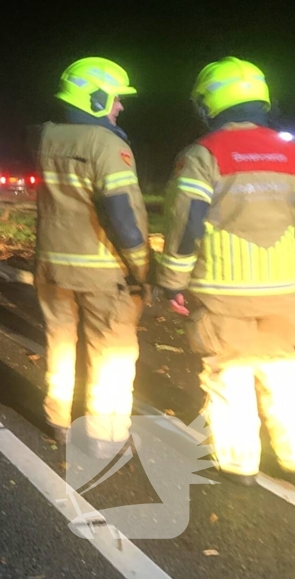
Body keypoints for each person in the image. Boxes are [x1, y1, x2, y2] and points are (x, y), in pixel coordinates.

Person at [156, 57, 295, 486]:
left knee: (229, 374)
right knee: (285, 372)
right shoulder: (290, 151)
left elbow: (185, 223)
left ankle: (239, 464)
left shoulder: (203, 154)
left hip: (223, 291)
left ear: (209, 103)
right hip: (287, 291)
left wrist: (172, 281)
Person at [35, 57, 150, 457]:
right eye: (115, 98)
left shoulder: (46, 138)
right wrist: (141, 268)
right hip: (103, 271)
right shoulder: (107, 144)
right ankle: (105, 435)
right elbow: (122, 215)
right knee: (112, 352)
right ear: (96, 98)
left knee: (60, 343)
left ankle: (57, 419)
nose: (120, 106)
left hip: (51, 266)